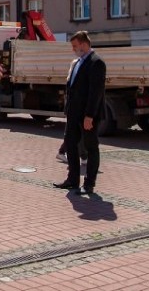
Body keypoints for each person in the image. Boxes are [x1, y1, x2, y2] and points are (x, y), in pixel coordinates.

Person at [54, 31, 106, 195]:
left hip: (87, 116)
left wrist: (89, 116)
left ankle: (89, 184)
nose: (73, 49)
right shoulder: (77, 63)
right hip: (73, 114)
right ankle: (72, 180)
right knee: (71, 145)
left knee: (91, 148)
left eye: (75, 46)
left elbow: (95, 92)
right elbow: (72, 89)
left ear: (84, 44)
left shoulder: (96, 62)